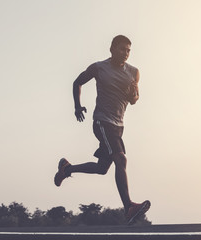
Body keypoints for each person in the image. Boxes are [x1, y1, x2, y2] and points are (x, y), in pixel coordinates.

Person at [54, 35, 150, 224]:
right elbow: (77, 82)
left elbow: (134, 99)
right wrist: (77, 106)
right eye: (122, 49)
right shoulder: (99, 68)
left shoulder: (134, 72)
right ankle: (129, 207)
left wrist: (134, 95)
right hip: (102, 122)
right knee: (121, 159)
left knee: (102, 168)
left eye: (129, 50)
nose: (126, 53)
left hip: (118, 125)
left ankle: (67, 169)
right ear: (112, 49)